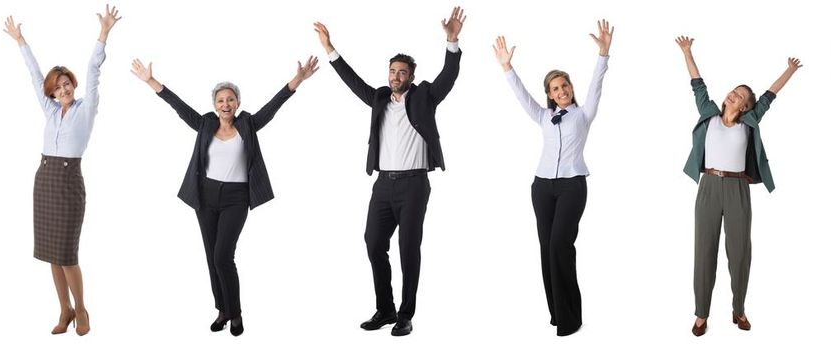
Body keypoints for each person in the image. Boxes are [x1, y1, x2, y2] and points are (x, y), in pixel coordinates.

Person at [130, 54, 320, 337]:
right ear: (214, 105)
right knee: (211, 256)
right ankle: (222, 309)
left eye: (230, 99)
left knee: (223, 257)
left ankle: (236, 313)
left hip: (236, 197)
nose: (226, 104)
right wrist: (151, 81)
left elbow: (275, 104)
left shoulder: (248, 126)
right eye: (221, 100)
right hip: (205, 196)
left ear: (238, 103)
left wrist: (298, 80)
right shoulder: (205, 124)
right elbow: (178, 106)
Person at [312, 6, 465, 337]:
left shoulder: (424, 96)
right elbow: (353, 82)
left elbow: (448, 77)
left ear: (410, 75)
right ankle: (385, 308)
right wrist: (330, 49)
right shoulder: (380, 97)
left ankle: (405, 315)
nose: (395, 76)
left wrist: (452, 42)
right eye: (392, 71)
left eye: (401, 72)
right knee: (372, 242)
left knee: (408, 248)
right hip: (383, 185)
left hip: (414, 185)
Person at [1, 5, 121, 336]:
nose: (63, 90)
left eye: (67, 84)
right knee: (51, 255)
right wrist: (21, 41)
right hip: (44, 180)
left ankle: (81, 309)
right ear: (52, 91)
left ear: (73, 85)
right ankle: (64, 310)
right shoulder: (51, 111)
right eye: (58, 87)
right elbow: (34, 75)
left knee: (67, 254)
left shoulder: (86, 109)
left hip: (68, 182)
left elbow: (94, 70)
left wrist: (104, 33)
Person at [489, 19, 613, 337]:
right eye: (555, 88)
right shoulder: (544, 116)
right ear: (550, 94)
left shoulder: (583, 114)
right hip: (541, 186)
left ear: (571, 88)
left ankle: (571, 319)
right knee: (546, 248)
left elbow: (597, 84)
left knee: (561, 244)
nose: (561, 91)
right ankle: (557, 313)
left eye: (565, 86)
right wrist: (507, 67)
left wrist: (603, 53)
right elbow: (521, 95)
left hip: (573, 184)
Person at [675, 35, 800, 336]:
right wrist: (688, 52)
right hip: (708, 186)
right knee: (704, 251)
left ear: (746, 106)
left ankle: (739, 310)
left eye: (740, 95)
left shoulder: (750, 121)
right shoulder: (710, 115)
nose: (733, 95)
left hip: (737, 190)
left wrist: (790, 70)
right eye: (733, 91)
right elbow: (697, 84)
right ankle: (701, 313)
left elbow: (770, 94)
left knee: (740, 252)